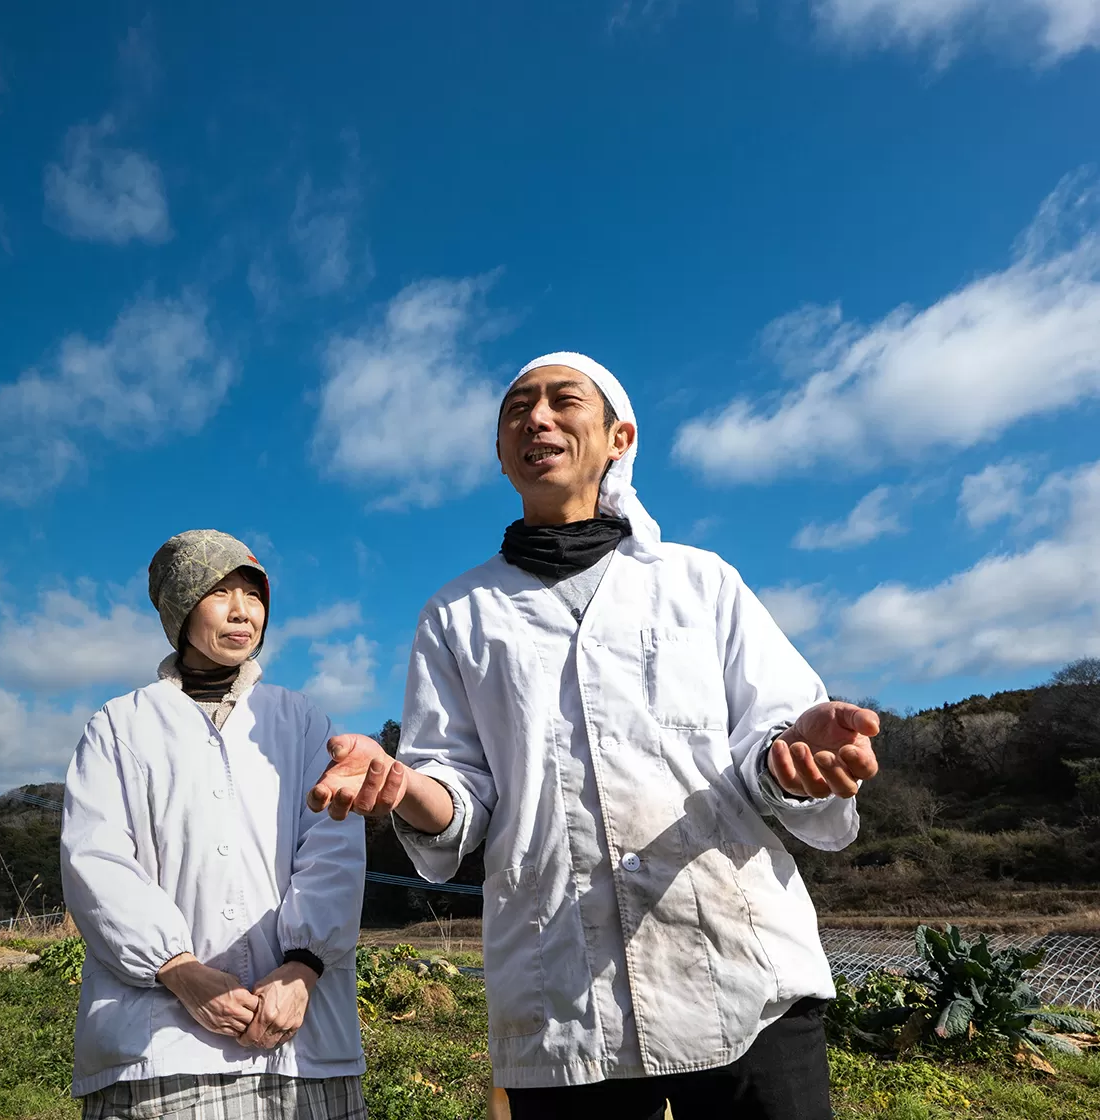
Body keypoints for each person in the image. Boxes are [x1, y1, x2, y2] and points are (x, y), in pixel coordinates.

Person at [308, 353, 880, 1120]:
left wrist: (796, 757)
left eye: (562, 400)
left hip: (741, 973)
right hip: (560, 994)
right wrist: (405, 786)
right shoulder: (457, 613)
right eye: (517, 409)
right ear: (503, 454)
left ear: (619, 437)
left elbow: (768, 740)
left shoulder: (698, 582)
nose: (536, 419)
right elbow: (460, 793)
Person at [62, 529, 369, 1120]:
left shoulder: (302, 720)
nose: (241, 611)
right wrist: (179, 970)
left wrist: (303, 966)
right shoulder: (120, 726)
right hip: (159, 1046)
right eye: (218, 592)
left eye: (253, 596)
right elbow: (95, 862)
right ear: (180, 609)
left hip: (300, 1039)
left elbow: (333, 848)